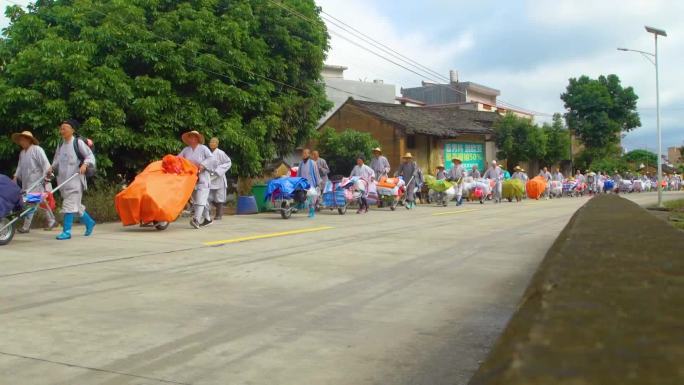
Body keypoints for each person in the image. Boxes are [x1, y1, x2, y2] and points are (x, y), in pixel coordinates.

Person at [48, 119, 96, 240]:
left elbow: (90, 156)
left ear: (72, 130)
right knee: (77, 206)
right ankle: (90, 222)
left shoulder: (78, 143)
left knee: (68, 205)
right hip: (63, 180)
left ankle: (67, 231)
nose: (62, 130)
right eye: (61, 128)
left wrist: (85, 165)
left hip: (75, 180)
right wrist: (51, 167)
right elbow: (57, 159)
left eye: (65, 128)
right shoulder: (61, 144)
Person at [12, 130, 57, 233]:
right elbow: (19, 167)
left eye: (22, 140)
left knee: (31, 203)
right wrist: (15, 176)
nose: (21, 142)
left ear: (28, 140)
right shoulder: (22, 153)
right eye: (20, 141)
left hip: (38, 182)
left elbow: (45, 163)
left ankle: (26, 227)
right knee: (40, 202)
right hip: (27, 183)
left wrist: (47, 176)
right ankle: (52, 220)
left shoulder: (37, 150)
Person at [178, 130, 215, 228]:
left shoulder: (203, 148)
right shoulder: (186, 150)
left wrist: (203, 165)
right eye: (190, 137)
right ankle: (207, 219)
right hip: (191, 178)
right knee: (198, 199)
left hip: (203, 176)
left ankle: (196, 220)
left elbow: (212, 159)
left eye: (194, 137)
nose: (192, 139)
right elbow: (179, 159)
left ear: (198, 139)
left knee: (201, 198)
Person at [207, 137, 232, 221]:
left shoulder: (221, 153)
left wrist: (219, 170)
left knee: (219, 196)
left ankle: (219, 214)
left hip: (218, 177)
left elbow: (228, 162)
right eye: (211, 142)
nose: (212, 144)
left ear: (217, 144)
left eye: (214, 142)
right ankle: (207, 213)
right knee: (208, 196)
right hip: (209, 177)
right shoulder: (207, 152)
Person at [297, 148, 321, 218]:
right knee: (303, 197)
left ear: (309, 154)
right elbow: (298, 174)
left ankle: (312, 212)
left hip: (311, 183)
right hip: (303, 183)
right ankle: (303, 206)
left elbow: (316, 173)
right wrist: (297, 181)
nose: (303, 154)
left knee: (311, 198)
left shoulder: (313, 163)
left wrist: (318, 183)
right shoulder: (301, 163)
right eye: (303, 153)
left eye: (305, 153)